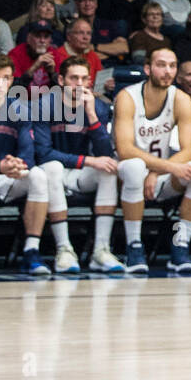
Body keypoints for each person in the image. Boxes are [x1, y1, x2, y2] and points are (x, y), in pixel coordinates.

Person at [112, 44, 191, 276]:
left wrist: (158, 171)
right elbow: (125, 149)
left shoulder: (181, 99)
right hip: (126, 176)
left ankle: (180, 244)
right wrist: (166, 167)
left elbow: (188, 150)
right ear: (147, 69)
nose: (167, 71)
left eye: (172, 66)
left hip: (159, 174)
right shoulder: (127, 97)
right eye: (161, 65)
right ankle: (134, 246)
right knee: (135, 166)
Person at [33, 57, 123, 274]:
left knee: (109, 168)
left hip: (80, 173)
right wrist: (89, 161)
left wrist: (91, 115)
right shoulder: (44, 104)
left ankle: (101, 251)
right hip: (50, 174)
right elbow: (43, 153)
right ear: (61, 80)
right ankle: (64, 250)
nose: (79, 84)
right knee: (53, 167)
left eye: (84, 78)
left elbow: (105, 153)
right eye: (74, 78)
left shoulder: (98, 107)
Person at [0, 51, 52, 276]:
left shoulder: (21, 109)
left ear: (12, 80)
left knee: (38, 175)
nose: (0, 84)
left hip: (8, 174)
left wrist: (17, 165)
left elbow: (28, 154)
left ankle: (31, 251)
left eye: (6, 78)